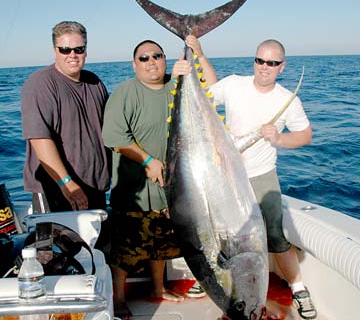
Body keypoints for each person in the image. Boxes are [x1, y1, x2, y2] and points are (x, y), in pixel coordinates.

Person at [102, 35, 217, 319]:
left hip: (174, 188)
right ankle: (118, 299)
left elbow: (213, 88)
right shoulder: (124, 93)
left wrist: (198, 53)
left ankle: (158, 288)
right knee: (125, 250)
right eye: (144, 58)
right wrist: (149, 161)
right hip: (134, 190)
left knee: (161, 243)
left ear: (166, 59)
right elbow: (114, 137)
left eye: (157, 56)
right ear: (134, 64)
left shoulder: (177, 85)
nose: (151, 62)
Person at [209, 39, 317, 320]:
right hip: (226, 177)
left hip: (261, 176)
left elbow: (305, 135)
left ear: (282, 67)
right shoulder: (233, 84)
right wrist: (196, 53)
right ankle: (228, 290)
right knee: (223, 240)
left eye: (271, 63)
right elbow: (207, 94)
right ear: (254, 61)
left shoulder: (286, 99)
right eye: (260, 60)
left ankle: (298, 289)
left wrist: (279, 138)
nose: (264, 67)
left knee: (276, 237)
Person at [21, 21, 110, 249]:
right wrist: (66, 183)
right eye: (65, 49)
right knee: (51, 257)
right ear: (55, 51)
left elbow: (111, 131)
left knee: (93, 255)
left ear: (86, 51)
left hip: (93, 188)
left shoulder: (94, 82)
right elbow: (40, 139)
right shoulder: (40, 83)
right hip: (57, 191)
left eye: (78, 49)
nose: (72, 55)